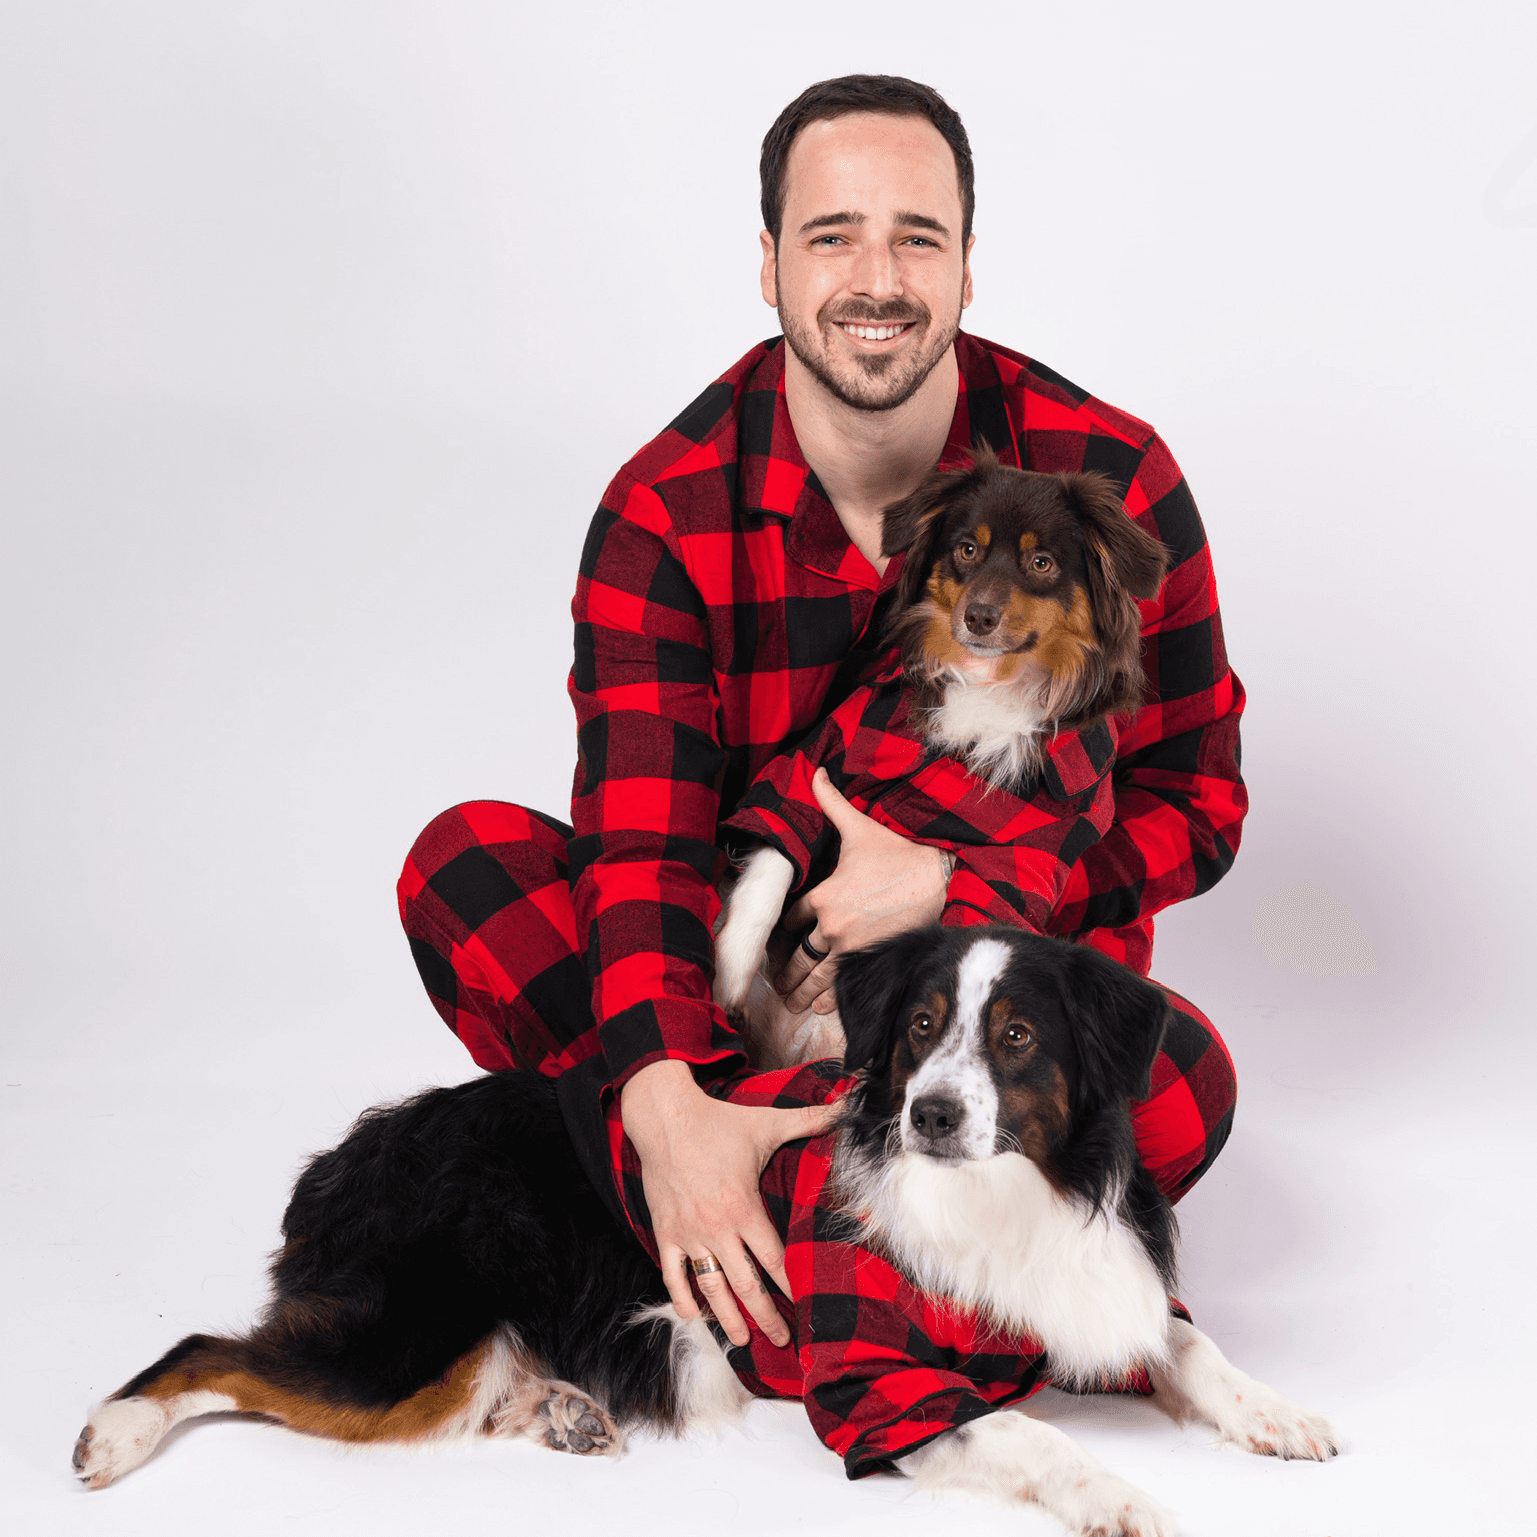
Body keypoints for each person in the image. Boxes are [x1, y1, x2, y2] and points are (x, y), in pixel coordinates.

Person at [399, 75, 1243, 1359]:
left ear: (968, 268)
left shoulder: (1115, 476)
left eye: (918, 235)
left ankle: (766, 1219)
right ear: (768, 265)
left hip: (980, 1009)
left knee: (1181, 1083)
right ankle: (788, 1200)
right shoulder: (664, 510)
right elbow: (644, 849)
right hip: (741, 986)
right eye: (831, 234)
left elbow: (1200, 799)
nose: (877, 277)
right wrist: (669, 1094)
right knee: (468, 869)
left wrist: (967, 892)